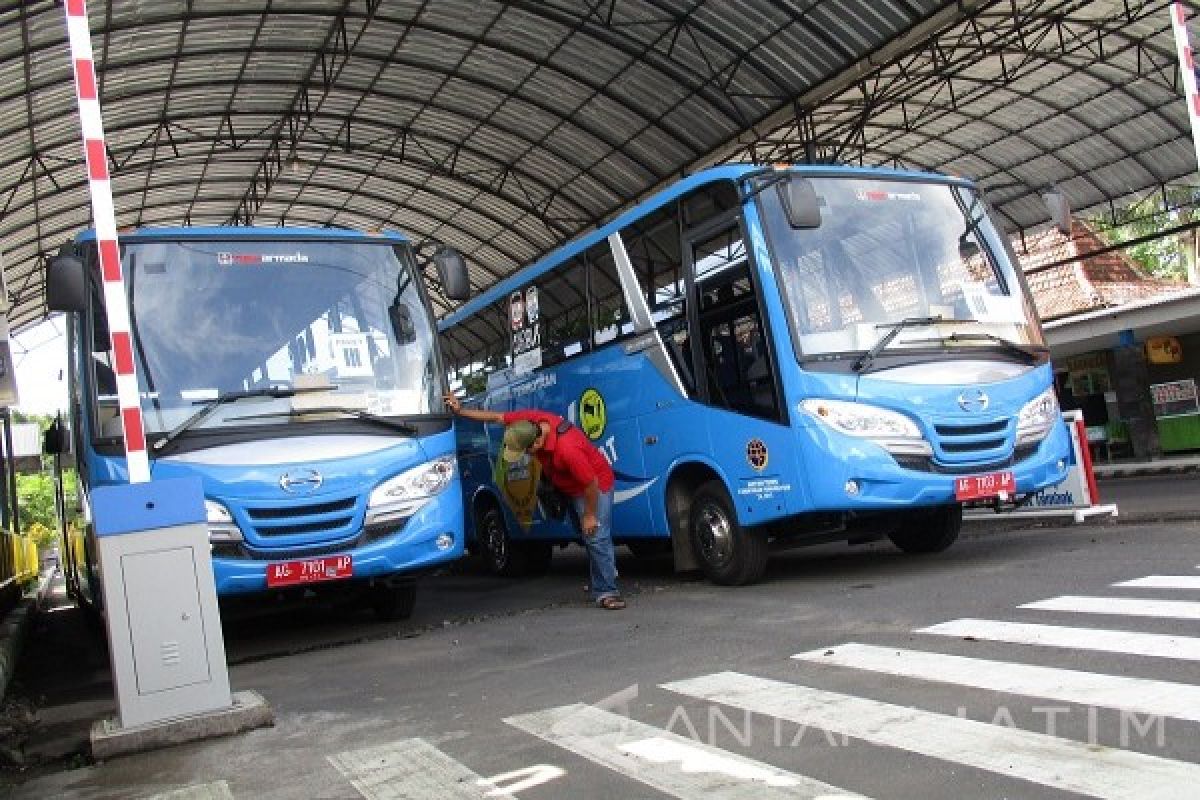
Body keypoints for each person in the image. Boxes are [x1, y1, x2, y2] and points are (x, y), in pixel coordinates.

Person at [444, 393, 625, 610]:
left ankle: (608, 591)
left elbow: (591, 484)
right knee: (587, 535)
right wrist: (460, 410)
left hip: (594, 487)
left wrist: (589, 514)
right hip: (570, 486)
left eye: (527, 451)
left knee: (595, 535)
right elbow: (495, 417)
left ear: (537, 441)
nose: (526, 456)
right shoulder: (527, 422)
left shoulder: (568, 450)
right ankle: (603, 575)